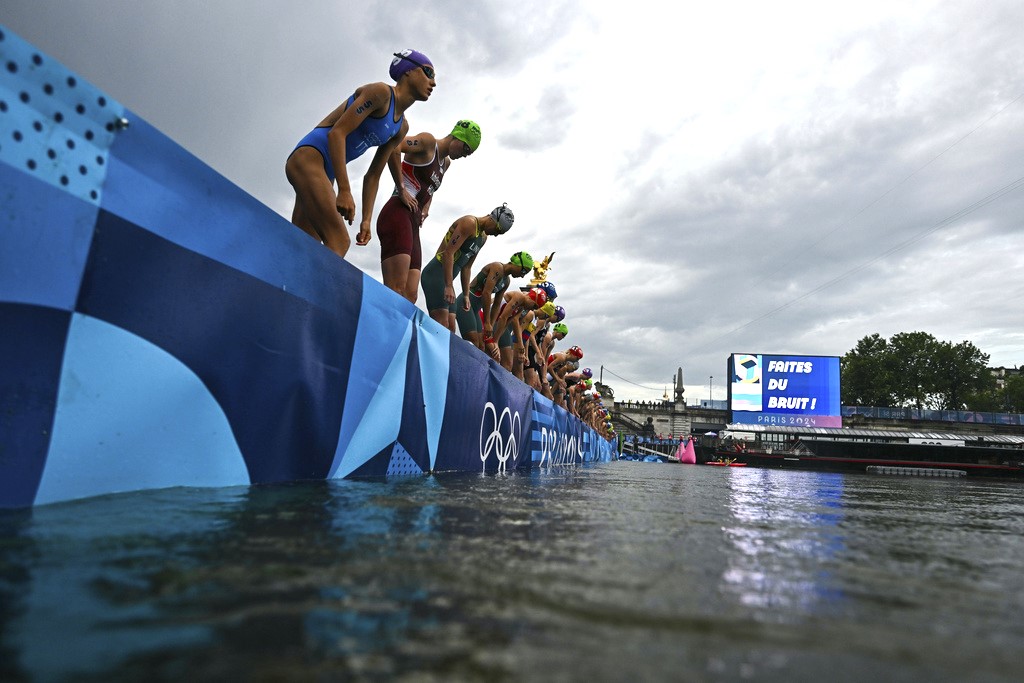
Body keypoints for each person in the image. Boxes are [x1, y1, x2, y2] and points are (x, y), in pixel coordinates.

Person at [285, 49, 435, 258]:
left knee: (302, 247)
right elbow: (337, 133)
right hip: (309, 158)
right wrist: (344, 190)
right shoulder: (381, 93)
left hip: (325, 173)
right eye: (428, 72)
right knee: (339, 240)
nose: (433, 82)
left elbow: (373, 175)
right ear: (408, 71)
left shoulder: (401, 128)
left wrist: (367, 220)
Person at [377, 120, 482, 301]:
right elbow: (393, 146)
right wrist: (401, 189)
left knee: (410, 295)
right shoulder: (428, 142)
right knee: (396, 289)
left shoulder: (445, 163)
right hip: (397, 212)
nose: (465, 155)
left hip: (413, 221)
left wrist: (426, 206)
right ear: (458, 136)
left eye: (469, 154)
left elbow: (430, 186)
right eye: (466, 149)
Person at [420, 204, 515, 331]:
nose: (496, 235)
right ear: (493, 218)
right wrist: (448, 285)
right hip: (435, 276)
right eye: (498, 230)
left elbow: (467, 268)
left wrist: (465, 295)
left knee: (451, 329)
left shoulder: (483, 238)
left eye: (500, 233)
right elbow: (448, 253)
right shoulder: (469, 223)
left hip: (447, 282)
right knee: (441, 327)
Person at [456, 252, 534, 350]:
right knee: (474, 342)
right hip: (466, 303)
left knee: (481, 346)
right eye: (523, 271)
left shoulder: (506, 281)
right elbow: (486, 293)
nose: (522, 276)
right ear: (517, 263)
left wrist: (491, 326)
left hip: (475, 309)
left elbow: (497, 304)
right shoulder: (498, 268)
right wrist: (487, 322)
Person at [488, 287, 547, 372]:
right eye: (534, 305)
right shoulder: (519, 297)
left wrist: (497, 339)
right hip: (487, 319)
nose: (532, 309)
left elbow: (507, 323)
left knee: (506, 364)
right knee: (492, 355)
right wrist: (496, 341)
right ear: (530, 298)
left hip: (495, 323)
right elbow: (503, 317)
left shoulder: (522, 307)